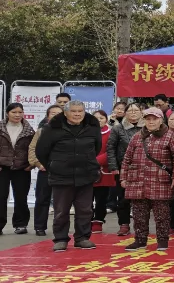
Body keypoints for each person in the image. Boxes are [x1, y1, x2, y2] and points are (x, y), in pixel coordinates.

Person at [35, 100, 101, 252]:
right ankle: (60, 239)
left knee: (85, 210)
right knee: (61, 211)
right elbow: (41, 151)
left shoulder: (92, 126)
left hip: (85, 175)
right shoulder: (52, 127)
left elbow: (96, 148)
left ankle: (82, 238)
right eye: (73, 111)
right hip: (61, 176)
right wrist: (54, 165)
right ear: (65, 113)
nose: (77, 114)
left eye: (80, 111)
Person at [120, 107, 174, 251]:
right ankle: (140, 240)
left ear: (161, 120)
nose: (151, 122)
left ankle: (162, 241)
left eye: (155, 119)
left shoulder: (170, 136)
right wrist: (123, 177)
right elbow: (127, 158)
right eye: (148, 119)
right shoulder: (137, 136)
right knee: (139, 214)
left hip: (160, 182)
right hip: (137, 182)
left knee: (162, 215)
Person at [106, 103, 143, 237]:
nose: (133, 113)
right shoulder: (118, 128)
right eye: (130, 111)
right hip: (123, 169)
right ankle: (124, 224)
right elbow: (110, 148)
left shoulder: (147, 127)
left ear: (141, 112)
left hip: (143, 168)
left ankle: (141, 226)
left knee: (142, 199)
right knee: (123, 198)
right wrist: (113, 167)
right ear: (125, 113)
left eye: (136, 110)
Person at [0, 102, 34, 235]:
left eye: (20, 112)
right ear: (7, 113)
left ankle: (21, 224)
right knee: (1, 196)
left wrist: (31, 164)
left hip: (22, 168)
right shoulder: (1, 127)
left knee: (21, 197)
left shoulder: (29, 130)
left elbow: (34, 148)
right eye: (14, 112)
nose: (17, 115)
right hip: (2, 167)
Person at [29, 104, 63, 236]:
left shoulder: (69, 131)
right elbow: (32, 148)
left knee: (62, 201)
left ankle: (60, 228)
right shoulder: (41, 131)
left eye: (59, 113)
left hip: (62, 170)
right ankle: (39, 226)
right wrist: (38, 164)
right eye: (53, 113)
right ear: (47, 116)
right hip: (45, 170)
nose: (56, 115)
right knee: (42, 198)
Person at [90, 110, 113, 234]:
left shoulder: (111, 133)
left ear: (106, 120)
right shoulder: (85, 132)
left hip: (103, 170)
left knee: (101, 199)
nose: (98, 120)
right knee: (86, 199)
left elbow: (111, 151)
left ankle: (98, 221)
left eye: (101, 118)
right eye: (96, 118)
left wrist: (96, 161)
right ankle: (87, 221)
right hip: (86, 169)